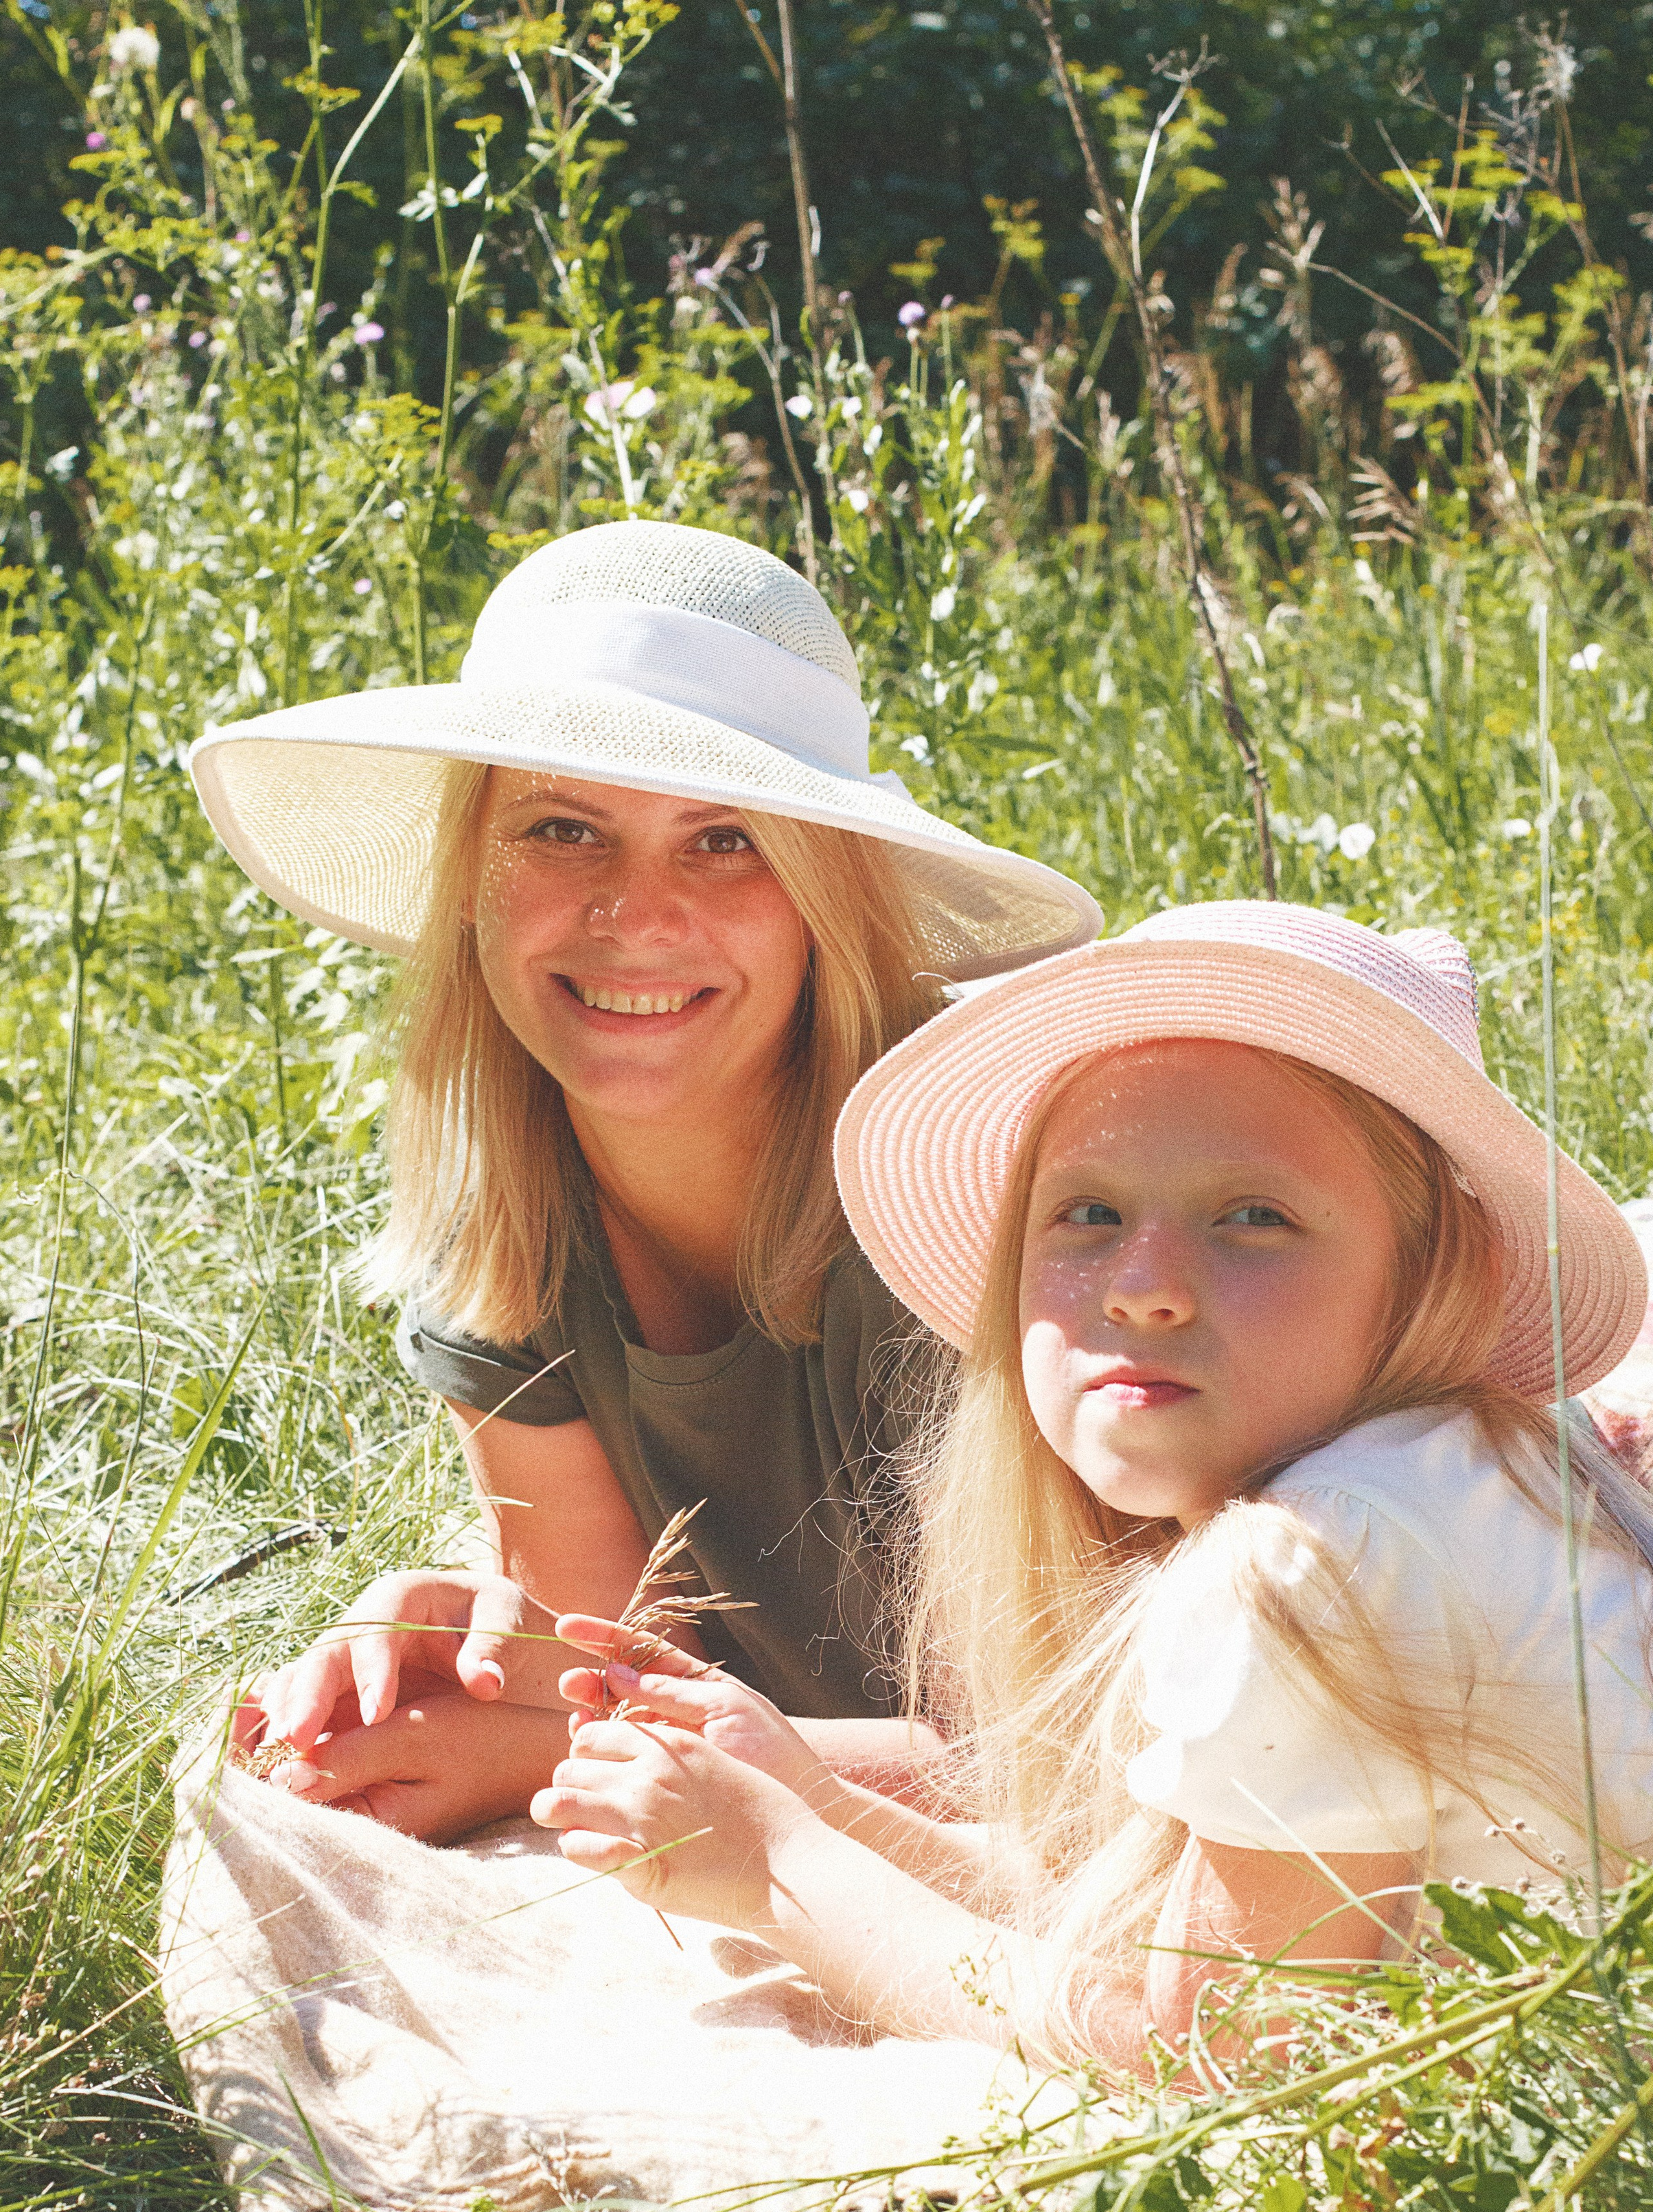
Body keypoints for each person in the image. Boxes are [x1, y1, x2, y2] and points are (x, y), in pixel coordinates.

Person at [505, 902, 1653, 2073]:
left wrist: (777, 1870)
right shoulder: (1462, 1480)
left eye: (1253, 1216)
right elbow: (1160, 1923)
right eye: (1089, 1213)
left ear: (1448, 1276)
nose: (1141, 1284)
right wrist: (822, 1803)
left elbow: (1198, 2060)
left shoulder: (1307, 1563)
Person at [189, 522, 1100, 1836]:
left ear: (824, 902)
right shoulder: (512, 1248)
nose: (637, 914)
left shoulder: (979, 1188)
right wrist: (457, 1677)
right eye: (565, 830)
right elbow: (625, 1673)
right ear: (469, 888)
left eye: (724, 841)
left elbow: (1088, 1763)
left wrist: (527, 1753)